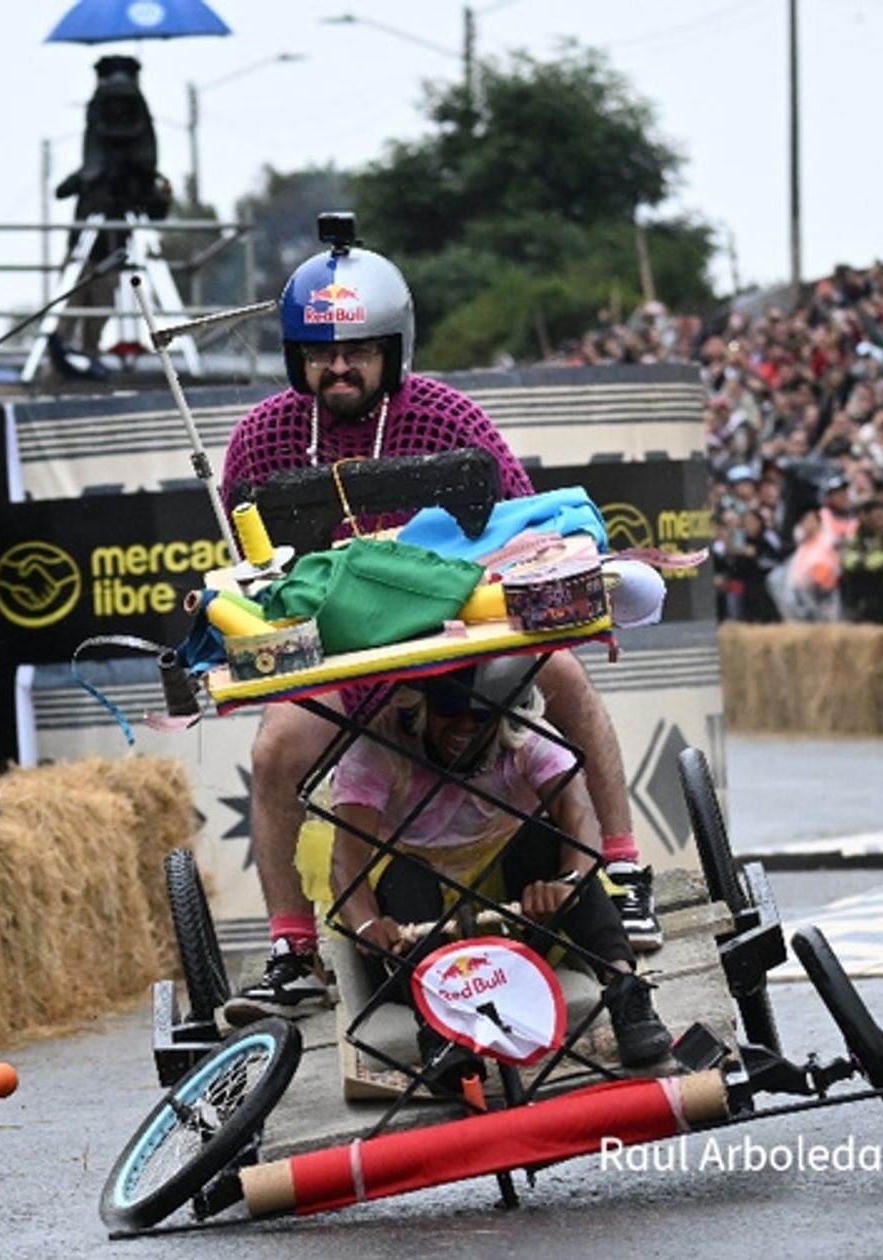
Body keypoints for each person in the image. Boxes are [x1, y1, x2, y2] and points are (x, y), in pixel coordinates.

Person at [219, 218, 661, 1026]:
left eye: (358, 350)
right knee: (276, 747)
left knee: (561, 672)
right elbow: (256, 577)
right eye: (321, 353)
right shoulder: (260, 437)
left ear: (393, 348)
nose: (339, 366)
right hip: (343, 660)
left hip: (451, 641)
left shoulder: (449, 414)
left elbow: (526, 529)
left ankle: (625, 874)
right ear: (297, 357)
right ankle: (293, 951)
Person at [319, 659, 672, 1067]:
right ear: (420, 705)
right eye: (450, 711)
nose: (465, 728)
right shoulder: (377, 751)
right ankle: (441, 1033)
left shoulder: (527, 741)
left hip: (510, 922)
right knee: (406, 873)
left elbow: (580, 818)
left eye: (481, 716)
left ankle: (626, 993)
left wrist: (567, 884)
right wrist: (366, 926)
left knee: (546, 842)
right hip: (419, 930)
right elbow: (346, 862)